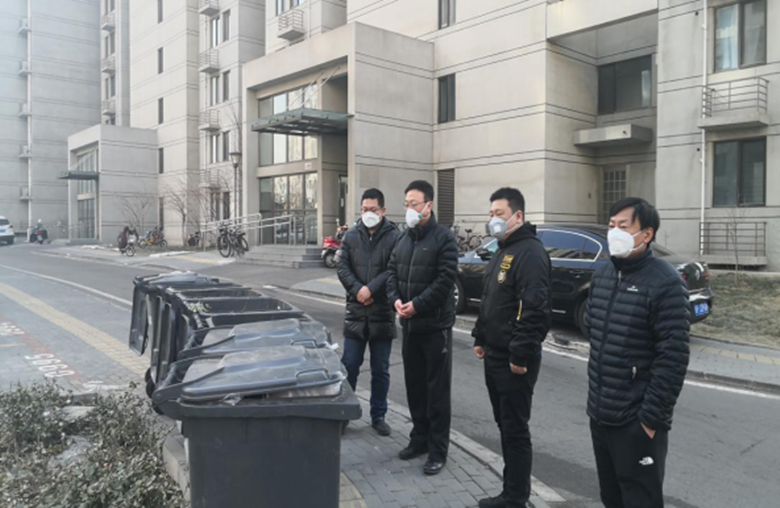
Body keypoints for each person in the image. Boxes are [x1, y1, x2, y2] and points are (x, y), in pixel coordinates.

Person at [585, 197, 690, 508]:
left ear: (647, 234)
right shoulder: (603, 274)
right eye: (611, 225)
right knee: (611, 497)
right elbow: (594, 329)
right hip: (601, 413)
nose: (614, 232)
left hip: (636, 422)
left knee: (640, 500)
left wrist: (649, 420)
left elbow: (673, 358)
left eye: (623, 226)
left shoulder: (666, 282)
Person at [472, 188, 552, 508]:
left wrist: (520, 353)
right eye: (491, 214)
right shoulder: (502, 250)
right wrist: (480, 336)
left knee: (515, 429)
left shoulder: (530, 253)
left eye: (500, 214)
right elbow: (491, 300)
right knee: (504, 425)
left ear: (518, 216)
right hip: (494, 354)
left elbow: (534, 308)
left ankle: (516, 497)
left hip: (514, 360)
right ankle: (510, 490)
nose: (493, 219)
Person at [387, 180, 459, 476]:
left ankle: (438, 450)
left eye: (414, 204)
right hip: (410, 326)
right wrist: (395, 300)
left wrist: (417, 305)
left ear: (428, 205)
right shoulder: (403, 239)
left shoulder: (444, 239)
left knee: (437, 391)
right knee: (415, 387)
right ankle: (419, 439)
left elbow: (444, 281)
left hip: (435, 326)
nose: (409, 209)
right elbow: (391, 273)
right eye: (406, 204)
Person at [337, 188, 400, 436]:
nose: (368, 214)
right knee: (349, 366)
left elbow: (393, 269)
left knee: (380, 369)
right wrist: (358, 290)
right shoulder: (351, 235)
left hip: (382, 312)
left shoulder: (395, 237)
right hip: (355, 312)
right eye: (364, 209)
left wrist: (371, 289)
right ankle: (344, 414)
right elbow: (342, 267)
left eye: (373, 209)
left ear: (383, 210)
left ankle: (378, 415)